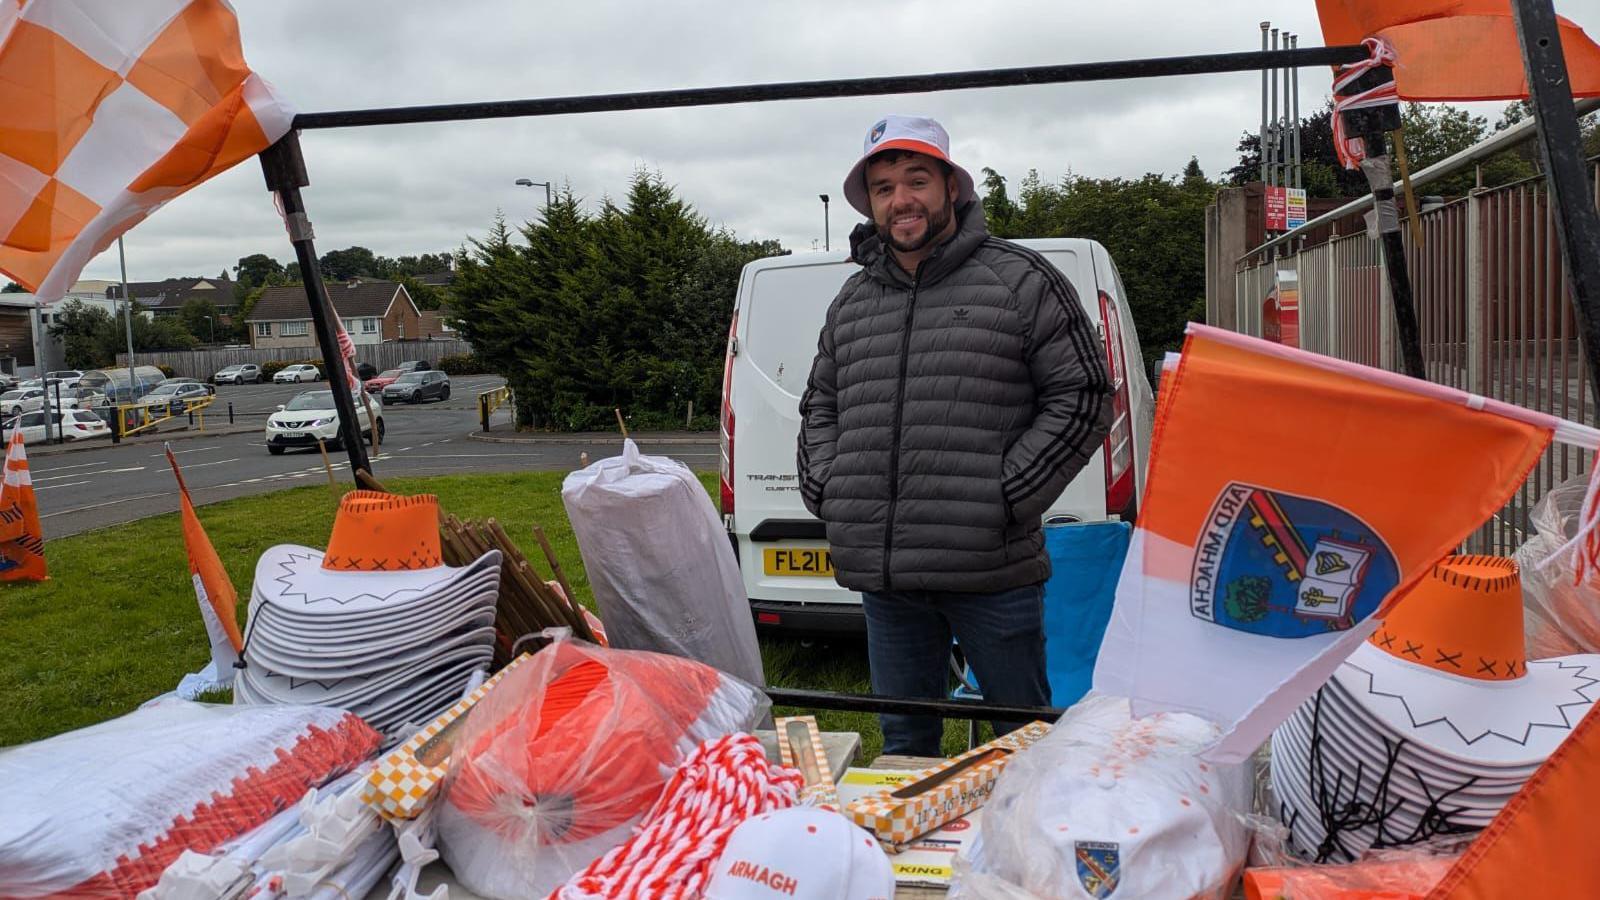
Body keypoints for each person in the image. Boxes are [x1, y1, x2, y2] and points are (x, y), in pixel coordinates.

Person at [796, 115, 1113, 757]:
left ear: (950, 187)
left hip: (992, 571)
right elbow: (820, 406)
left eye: (917, 179)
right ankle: (907, 858)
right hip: (887, 579)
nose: (901, 198)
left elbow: (1083, 396)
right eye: (883, 187)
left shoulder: (1021, 280)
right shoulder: (853, 301)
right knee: (906, 740)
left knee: (1023, 744)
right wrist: (828, 490)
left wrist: (1003, 496)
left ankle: (1022, 854)